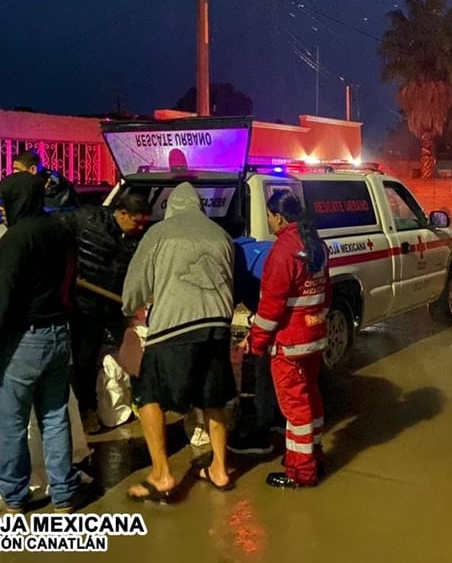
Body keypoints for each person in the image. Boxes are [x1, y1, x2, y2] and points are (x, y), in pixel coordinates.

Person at [0, 172, 83, 513]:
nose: (1, 208)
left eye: (4, 200)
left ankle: (15, 494)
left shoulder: (14, 240)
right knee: (54, 416)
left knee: (12, 422)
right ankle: (63, 492)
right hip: (60, 335)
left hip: (24, 341)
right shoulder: (62, 233)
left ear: (19, 200)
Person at [122, 182, 237, 501]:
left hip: (174, 328)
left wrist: (128, 307)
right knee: (212, 398)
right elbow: (233, 280)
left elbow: (136, 283)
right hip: (217, 326)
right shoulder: (220, 235)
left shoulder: (160, 233)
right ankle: (219, 469)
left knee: (148, 396)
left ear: (171, 206)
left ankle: (161, 474)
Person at [245, 190, 331, 489]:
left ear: (279, 217)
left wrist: (256, 342)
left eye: (269, 216)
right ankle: (312, 456)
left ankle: (301, 472)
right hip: (314, 335)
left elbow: (270, 308)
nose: (269, 221)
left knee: (296, 410)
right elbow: (325, 294)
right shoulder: (315, 243)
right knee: (311, 399)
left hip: (289, 342)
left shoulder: (283, 251)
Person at [53, 191, 150, 427]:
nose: (139, 228)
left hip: (117, 305)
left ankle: (144, 400)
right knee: (84, 359)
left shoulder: (138, 239)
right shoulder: (87, 219)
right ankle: (87, 409)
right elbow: (53, 229)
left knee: (134, 354)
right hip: (85, 306)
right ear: (122, 213)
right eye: (136, 222)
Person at [228, 231, 280, 456]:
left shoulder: (251, 265)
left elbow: (269, 308)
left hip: (281, 321)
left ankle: (261, 433)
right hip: (300, 322)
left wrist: (253, 337)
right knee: (279, 372)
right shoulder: (249, 253)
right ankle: (279, 417)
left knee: (264, 369)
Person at [12, 150, 78, 211]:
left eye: (18, 169)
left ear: (33, 169)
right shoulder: (31, 183)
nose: (14, 173)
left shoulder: (55, 187)